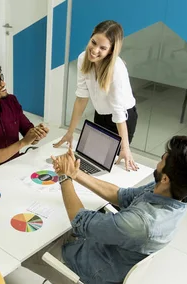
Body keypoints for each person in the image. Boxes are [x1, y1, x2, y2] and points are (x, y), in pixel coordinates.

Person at [24, 136, 187, 284]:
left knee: (28, 246)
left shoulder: (141, 223)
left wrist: (64, 178)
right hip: (107, 255)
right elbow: (121, 195)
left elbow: (79, 220)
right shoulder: (173, 194)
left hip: (90, 276)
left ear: (166, 178)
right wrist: (76, 174)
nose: (158, 160)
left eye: (162, 159)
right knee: (55, 223)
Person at [54, 20, 139, 171]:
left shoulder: (116, 69)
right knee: (93, 158)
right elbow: (81, 98)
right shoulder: (83, 59)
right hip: (101, 113)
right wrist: (70, 132)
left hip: (123, 117)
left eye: (103, 48)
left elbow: (119, 112)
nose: (94, 50)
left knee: (113, 163)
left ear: (111, 51)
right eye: (93, 42)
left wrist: (125, 147)